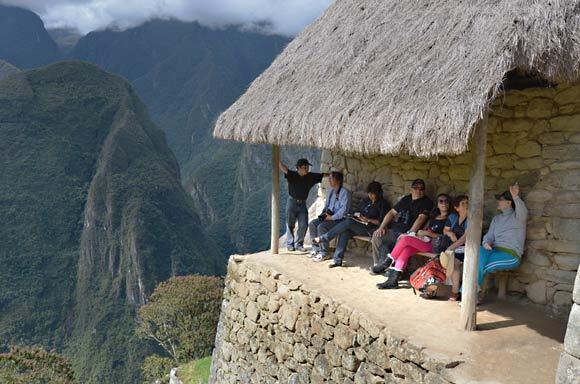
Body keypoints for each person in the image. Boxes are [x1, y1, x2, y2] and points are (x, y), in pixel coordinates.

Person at [376, 193, 452, 289]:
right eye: (441, 201)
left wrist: (428, 234)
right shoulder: (434, 215)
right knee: (406, 250)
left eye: (446, 201)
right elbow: (426, 229)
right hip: (425, 240)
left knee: (405, 239)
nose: (443, 203)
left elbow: (445, 237)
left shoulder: (450, 218)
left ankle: (387, 262)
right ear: (437, 204)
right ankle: (393, 280)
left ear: (449, 204)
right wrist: (419, 234)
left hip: (435, 245)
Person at [313, 181, 389, 266]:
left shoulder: (383, 204)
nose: (370, 196)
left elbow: (381, 222)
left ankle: (325, 237)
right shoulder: (366, 201)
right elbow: (357, 211)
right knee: (345, 230)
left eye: (372, 194)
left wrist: (368, 220)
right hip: (360, 224)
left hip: (371, 229)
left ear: (377, 193)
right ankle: (337, 259)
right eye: (369, 194)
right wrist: (358, 217)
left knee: (348, 223)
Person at [371, 179, 434, 274]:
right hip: (395, 230)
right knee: (377, 236)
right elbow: (392, 212)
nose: (418, 191)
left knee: (400, 242)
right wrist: (382, 226)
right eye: (416, 188)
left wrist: (409, 233)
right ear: (411, 189)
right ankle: (377, 265)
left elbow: (421, 218)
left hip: (408, 234)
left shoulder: (426, 202)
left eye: (421, 189)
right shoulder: (406, 199)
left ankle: (392, 270)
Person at [478, 184, 527, 289]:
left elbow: (523, 212)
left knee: (480, 266)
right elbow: (489, 235)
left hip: (510, 255)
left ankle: (469, 293)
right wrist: (486, 243)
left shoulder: (518, 217)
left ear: (509, 203)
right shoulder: (497, 218)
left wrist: (515, 197)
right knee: (479, 252)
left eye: (501, 199)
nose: (498, 201)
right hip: (494, 251)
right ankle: (470, 293)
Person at [279, 158, 327, 252]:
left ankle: (299, 244)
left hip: (302, 204)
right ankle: (290, 244)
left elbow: (322, 175)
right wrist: (278, 161)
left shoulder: (310, 177)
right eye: (305, 167)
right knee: (290, 224)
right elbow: (284, 169)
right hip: (292, 202)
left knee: (304, 224)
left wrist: (334, 174)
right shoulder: (292, 175)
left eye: (307, 167)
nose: (307, 169)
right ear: (299, 168)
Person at [308, 172, 351, 259]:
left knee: (322, 227)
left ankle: (324, 252)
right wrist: (324, 214)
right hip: (329, 216)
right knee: (312, 224)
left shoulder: (345, 193)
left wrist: (331, 217)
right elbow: (327, 205)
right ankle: (315, 248)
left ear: (338, 181)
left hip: (339, 219)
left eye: (331, 179)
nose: (329, 180)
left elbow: (343, 211)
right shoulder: (330, 191)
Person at [438, 195, 469, 301]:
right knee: (444, 260)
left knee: (454, 262)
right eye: (463, 203)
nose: (466, 205)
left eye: (467, 203)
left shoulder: (471, 219)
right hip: (453, 248)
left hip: (467, 248)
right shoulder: (453, 217)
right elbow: (445, 230)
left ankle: (454, 292)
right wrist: (450, 234)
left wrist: (450, 249)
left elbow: (464, 239)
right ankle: (437, 285)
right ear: (457, 208)